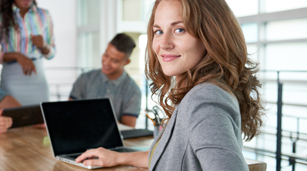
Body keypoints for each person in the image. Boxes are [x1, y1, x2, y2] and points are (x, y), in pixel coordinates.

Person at [75, 0, 264, 170]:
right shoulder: (196, 93)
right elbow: (166, 158)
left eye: (179, 29)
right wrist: (117, 157)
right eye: (158, 31)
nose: (163, 44)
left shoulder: (204, 99)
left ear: (210, 35)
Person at [0, 0, 56, 105]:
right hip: (12, 80)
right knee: (15, 117)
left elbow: (52, 54)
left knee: (41, 118)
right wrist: (17, 56)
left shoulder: (44, 14)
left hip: (38, 79)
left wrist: (44, 46)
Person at [69, 33, 141, 128]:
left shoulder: (133, 91)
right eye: (106, 55)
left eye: (114, 61)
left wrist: (107, 121)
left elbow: (129, 130)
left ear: (126, 62)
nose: (106, 62)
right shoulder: (84, 79)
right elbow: (69, 114)